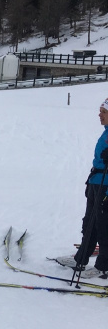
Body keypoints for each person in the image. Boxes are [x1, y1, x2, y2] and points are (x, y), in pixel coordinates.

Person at [73, 98, 108, 279]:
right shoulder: (106, 133)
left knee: (104, 226)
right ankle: (81, 259)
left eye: (103, 112)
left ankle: (104, 266)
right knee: (89, 222)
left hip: (106, 186)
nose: (99, 115)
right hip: (96, 182)